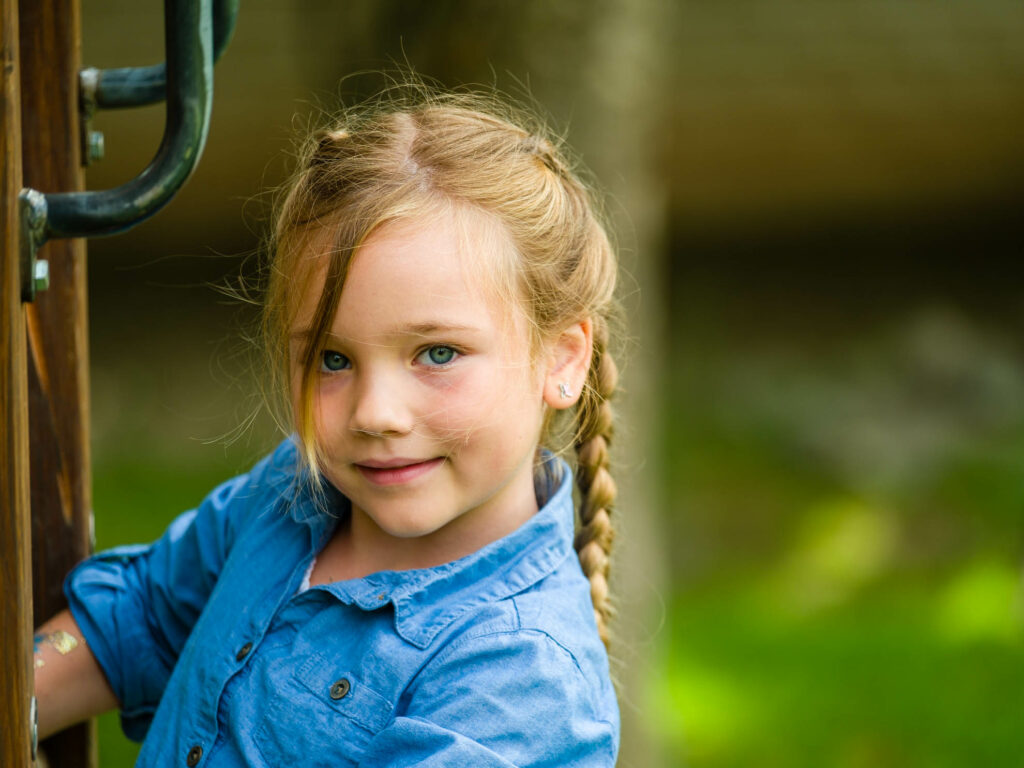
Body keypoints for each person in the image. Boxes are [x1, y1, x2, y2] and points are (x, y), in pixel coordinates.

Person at [33, 91, 622, 767]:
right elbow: (141, 618)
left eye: (437, 354)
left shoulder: (521, 684)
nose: (374, 413)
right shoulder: (294, 493)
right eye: (333, 359)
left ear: (563, 357)